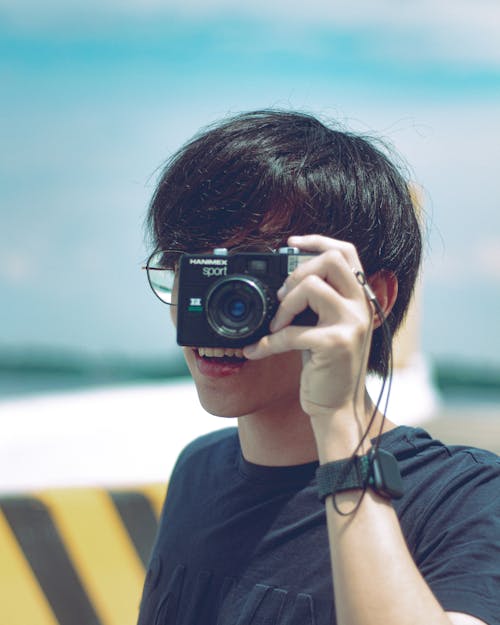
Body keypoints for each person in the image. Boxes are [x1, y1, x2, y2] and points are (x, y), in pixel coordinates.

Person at [138, 110, 499, 625]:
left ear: (371, 298)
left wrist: (338, 421)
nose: (217, 306)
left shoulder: (465, 499)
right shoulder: (199, 470)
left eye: (252, 272)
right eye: (193, 270)